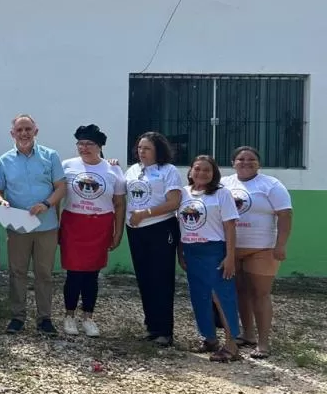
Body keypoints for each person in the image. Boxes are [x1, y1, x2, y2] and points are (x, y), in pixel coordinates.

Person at [0, 114, 67, 335]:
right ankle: (17, 317)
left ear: (36, 131)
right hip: (18, 227)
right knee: (17, 272)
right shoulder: (4, 160)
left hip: (46, 226)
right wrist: (1, 200)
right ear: (12, 133)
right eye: (19, 130)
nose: (24, 133)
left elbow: (61, 187)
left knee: (44, 273)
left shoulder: (50, 156)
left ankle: (44, 319)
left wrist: (46, 203)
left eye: (28, 129)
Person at [221, 146, 293, 359]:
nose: (246, 162)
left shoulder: (271, 185)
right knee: (240, 293)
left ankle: (263, 343)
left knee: (260, 294)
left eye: (251, 159)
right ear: (233, 163)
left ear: (258, 164)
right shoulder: (225, 183)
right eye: (240, 159)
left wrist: (281, 244)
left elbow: (285, 214)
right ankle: (248, 334)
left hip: (262, 248)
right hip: (233, 249)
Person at [59, 125, 126, 338]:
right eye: (81, 143)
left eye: (89, 144)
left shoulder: (112, 169)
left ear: (100, 146)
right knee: (73, 274)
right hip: (73, 224)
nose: (84, 148)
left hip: (99, 225)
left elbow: (119, 204)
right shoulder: (67, 166)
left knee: (92, 275)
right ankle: (69, 315)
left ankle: (88, 317)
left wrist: (117, 232)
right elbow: (57, 196)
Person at [176, 155, 241, 363]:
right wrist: (181, 253)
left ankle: (231, 344)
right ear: (190, 171)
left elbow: (230, 226)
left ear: (213, 174)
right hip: (191, 251)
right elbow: (180, 225)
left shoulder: (222, 194)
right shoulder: (183, 193)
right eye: (197, 169)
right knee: (199, 296)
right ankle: (209, 338)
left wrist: (230, 257)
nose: (201, 173)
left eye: (207, 170)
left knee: (220, 296)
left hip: (214, 250)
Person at [123, 132, 184, 346]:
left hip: (160, 228)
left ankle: (165, 330)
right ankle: (152, 326)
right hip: (136, 230)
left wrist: (146, 213)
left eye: (147, 148)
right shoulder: (132, 170)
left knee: (161, 279)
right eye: (139, 148)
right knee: (144, 278)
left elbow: (173, 202)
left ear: (158, 150)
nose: (142, 152)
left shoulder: (168, 171)